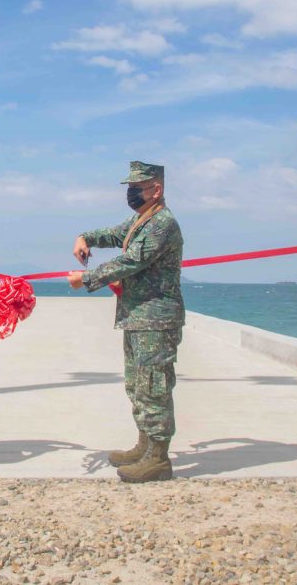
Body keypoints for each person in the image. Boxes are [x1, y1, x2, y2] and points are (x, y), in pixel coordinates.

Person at [67, 161, 185, 483]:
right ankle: (144, 447)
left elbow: (132, 261)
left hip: (156, 319)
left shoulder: (162, 224)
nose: (132, 193)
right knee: (137, 385)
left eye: (137, 188)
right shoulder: (141, 220)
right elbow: (114, 235)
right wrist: (86, 237)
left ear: (156, 190)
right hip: (137, 317)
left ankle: (158, 459)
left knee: (154, 387)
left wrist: (88, 278)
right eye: (130, 188)